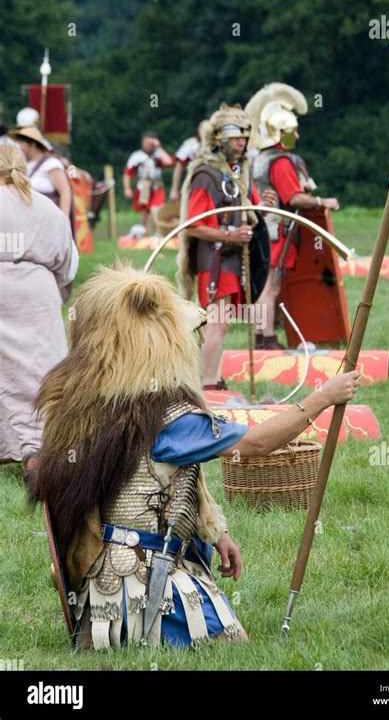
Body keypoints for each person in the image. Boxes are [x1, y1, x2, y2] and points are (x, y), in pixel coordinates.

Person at [27, 262, 360, 650]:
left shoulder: (86, 407)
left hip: (105, 582)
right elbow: (256, 444)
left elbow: (170, 477)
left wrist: (216, 532)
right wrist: (324, 397)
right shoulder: (166, 418)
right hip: (140, 580)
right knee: (231, 645)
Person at [176, 103, 275, 390]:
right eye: (235, 137)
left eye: (245, 137)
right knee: (215, 322)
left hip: (234, 259)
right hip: (215, 258)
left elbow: (248, 215)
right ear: (218, 138)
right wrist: (230, 236)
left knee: (222, 322)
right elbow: (193, 224)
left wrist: (263, 208)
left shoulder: (239, 173)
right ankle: (208, 384)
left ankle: (211, 379)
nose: (241, 143)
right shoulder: (205, 174)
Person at [245, 83, 339, 349]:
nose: (296, 136)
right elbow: (294, 198)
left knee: (265, 287)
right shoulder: (281, 161)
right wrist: (323, 201)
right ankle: (266, 340)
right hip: (277, 231)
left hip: (267, 228)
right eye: (292, 132)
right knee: (270, 288)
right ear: (281, 133)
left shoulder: (262, 157)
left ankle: (263, 338)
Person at [0, 144, 75, 476]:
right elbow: (68, 264)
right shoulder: (47, 208)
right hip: (38, 294)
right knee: (40, 371)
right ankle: (37, 449)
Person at [10, 126, 73, 218]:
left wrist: (64, 218)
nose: (20, 148)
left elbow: (64, 191)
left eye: (22, 143)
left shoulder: (51, 164)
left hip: (48, 221)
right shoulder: (23, 164)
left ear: (32, 144)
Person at [123, 131, 174, 233]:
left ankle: (157, 232)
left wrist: (158, 147)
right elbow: (128, 173)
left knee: (156, 209)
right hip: (143, 187)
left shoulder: (158, 155)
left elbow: (169, 162)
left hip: (156, 187)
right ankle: (143, 232)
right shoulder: (136, 156)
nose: (148, 145)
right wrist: (127, 188)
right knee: (144, 211)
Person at [169, 120, 209, 201]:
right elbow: (179, 166)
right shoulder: (190, 144)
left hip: (213, 183)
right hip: (194, 182)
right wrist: (174, 189)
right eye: (202, 128)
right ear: (198, 129)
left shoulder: (218, 144)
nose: (205, 130)